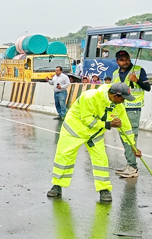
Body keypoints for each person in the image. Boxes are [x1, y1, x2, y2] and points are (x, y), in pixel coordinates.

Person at [47, 83, 141, 203]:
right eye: (123, 98)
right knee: (64, 157)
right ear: (115, 95)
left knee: (101, 159)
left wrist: (132, 146)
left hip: (94, 134)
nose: (123, 102)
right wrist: (108, 124)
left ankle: (104, 189)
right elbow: (86, 120)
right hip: (74, 130)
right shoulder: (90, 97)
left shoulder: (118, 106)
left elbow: (126, 128)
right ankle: (57, 186)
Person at [112, 50, 151, 178]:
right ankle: (130, 164)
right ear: (117, 61)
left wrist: (136, 80)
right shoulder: (115, 74)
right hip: (120, 108)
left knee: (130, 136)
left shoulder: (139, 70)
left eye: (127, 59)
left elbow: (147, 88)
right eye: (122, 60)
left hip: (133, 107)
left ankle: (133, 167)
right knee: (124, 136)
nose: (126, 62)